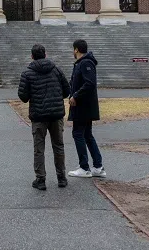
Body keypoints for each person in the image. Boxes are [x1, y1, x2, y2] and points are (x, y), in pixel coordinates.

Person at [18, 44, 71, 191]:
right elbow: (67, 91)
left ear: (32, 56)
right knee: (58, 146)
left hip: (39, 115)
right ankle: (61, 177)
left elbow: (23, 96)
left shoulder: (27, 73)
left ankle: (40, 179)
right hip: (56, 114)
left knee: (39, 148)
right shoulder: (56, 70)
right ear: (45, 55)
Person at [67, 39, 105, 179]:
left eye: (73, 49)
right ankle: (97, 166)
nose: (73, 52)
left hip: (82, 106)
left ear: (76, 49)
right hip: (84, 106)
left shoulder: (85, 63)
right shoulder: (82, 63)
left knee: (78, 133)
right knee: (87, 134)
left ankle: (84, 167)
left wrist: (75, 96)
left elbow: (90, 83)